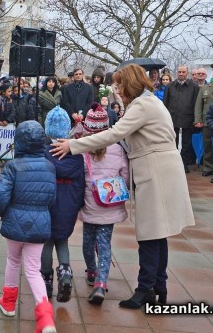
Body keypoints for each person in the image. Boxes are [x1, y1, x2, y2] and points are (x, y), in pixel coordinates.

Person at [49, 64, 194, 309]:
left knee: (150, 234)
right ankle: (158, 285)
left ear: (130, 84)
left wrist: (73, 145)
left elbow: (113, 134)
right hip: (161, 167)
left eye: (119, 85)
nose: (117, 89)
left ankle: (145, 289)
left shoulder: (142, 105)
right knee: (158, 234)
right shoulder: (150, 103)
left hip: (155, 169)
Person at [0, 120, 57, 333]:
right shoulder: (49, 166)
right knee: (33, 269)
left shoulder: (12, 166)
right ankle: (45, 316)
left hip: (14, 222)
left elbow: (0, 196)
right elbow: (52, 198)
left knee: (13, 261)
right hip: (39, 224)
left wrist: (2, 212)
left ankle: (8, 303)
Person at [78, 106, 129, 304]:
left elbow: (79, 177)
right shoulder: (117, 147)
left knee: (88, 242)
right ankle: (101, 283)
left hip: (90, 203)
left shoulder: (83, 148)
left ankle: (91, 272)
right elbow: (125, 173)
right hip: (110, 204)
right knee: (105, 243)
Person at [40, 106, 84, 303]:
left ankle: (46, 280)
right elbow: (81, 183)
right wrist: (78, 204)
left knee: (47, 242)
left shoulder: (43, 153)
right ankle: (65, 273)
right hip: (69, 205)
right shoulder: (76, 154)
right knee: (63, 240)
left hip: (48, 204)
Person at [163, 65, 200, 172]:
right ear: (176, 73)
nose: (181, 74)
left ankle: (184, 163)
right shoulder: (170, 86)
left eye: (183, 72)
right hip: (172, 118)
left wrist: (196, 119)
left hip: (188, 118)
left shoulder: (194, 87)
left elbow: (196, 104)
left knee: (186, 143)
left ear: (187, 73)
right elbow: (165, 103)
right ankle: (173, 163)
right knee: (172, 141)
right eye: (179, 72)